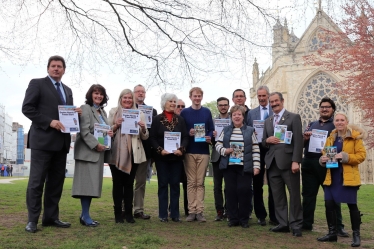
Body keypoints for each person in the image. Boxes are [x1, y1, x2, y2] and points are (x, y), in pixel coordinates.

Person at [22, 55, 81, 233]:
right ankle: (32, 220)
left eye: (59, 66)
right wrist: (49, 122)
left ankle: (50, 217)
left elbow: (66, 116)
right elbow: (27, 108)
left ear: (64, 70)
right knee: (36, 182)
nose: (56, 69)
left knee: (56, 183)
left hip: (61, 143)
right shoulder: (37, 83)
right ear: (48, 68)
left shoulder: (68, 90)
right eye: (53, 66)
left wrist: (75, 114)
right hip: (42, 141)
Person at [317, 112, 366, 247]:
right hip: (332, 176)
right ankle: (332, 233)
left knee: (352, 205)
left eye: (342, 120)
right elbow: (324, 153)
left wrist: (344, 156)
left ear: (346, 122)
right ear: (334, 122)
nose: (339, 122)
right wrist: (323, 159)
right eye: (337, 120)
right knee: (329, 204)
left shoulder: (355, 137)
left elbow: (361, 156)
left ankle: (356, 235)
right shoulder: (331, 138)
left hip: (347, 176)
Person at [302, 97, 348, 236]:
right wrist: (306, 137)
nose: (324, 109)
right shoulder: (311, 124)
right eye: (322, 106)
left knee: (333, 196)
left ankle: (338, 226)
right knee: (308, 195)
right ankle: (306, 224)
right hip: (309, 162)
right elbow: (303, 143)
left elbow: (341, 144)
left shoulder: (336, 125)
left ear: (332, 109)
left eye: (327, 107)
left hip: (328, 163)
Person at [262, 92, 303, 237]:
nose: (273, 104)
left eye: (276, 101)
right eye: (271, 102)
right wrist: (267, 140)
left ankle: (296, 224)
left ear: (282, 101)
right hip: (272, 164)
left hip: (289, 163)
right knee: (277, 196)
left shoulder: (293, 117)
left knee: (294, 195)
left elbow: (298, 141)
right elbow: (263, 141)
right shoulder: (268, 121)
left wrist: (296, 161)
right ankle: (283, 224)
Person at [71, 84, 113, 227]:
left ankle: (85, 215)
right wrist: (96, 144)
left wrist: (109, 133)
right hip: (87, 153)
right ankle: (85, 215)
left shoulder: (103, 112)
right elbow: (84, 131)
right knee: (85, 186)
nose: (99, 96)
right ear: (90, 95)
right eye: (96, 93)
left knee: (91, 186)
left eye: (101, 94)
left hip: (98, 153)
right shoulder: (85, 109)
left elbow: (102, 130)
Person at [215, 105, 260, 228]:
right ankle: (233, 218)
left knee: (244, 192)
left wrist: (256, 166)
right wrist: (225, 150)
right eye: (234, 114)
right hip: (229, 166)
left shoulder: (250, 130)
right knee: (230, 192)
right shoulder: (226, 130)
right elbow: (217, 145)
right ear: (231, 117)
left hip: (245, 167)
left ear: (243, 116)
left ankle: (244, 219)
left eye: (239, 114)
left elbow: (255, 149)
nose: (236, 116)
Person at [108, 89, 149, 223]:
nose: (127, 100)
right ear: (120, 99)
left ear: (133, 99)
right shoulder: (113, 112)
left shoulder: (140, 113)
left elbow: (145, 136)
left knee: (129, 184)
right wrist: (116, 125)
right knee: (118, 185)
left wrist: (143, 128)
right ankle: (118, 214)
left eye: (130, 98)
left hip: (134, 154)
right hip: (116, 154)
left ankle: (129, 214)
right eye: (125, 98)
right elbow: (107, 132)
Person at [149, 93, 188, 222]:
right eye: (170, 101)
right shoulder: (156, 119)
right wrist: (160, 150)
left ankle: (175, 214)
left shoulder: (180, 120)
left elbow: (186, 137)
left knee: (175, 185)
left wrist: (181, 149)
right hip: (162, 158)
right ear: (164, 103)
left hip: (176, 158)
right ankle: (163, 214)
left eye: (174, 101)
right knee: (163, 185)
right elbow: (152, 138)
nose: (172, 103)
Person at [180, 87, 214, 222]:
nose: (197, 98)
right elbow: (182, 130)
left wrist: (209, 136)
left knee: (200, 182)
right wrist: (189, 132)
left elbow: (211, 129)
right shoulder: (184, 112)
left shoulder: (206, 112)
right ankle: (191, 211)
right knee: (191, 182)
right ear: (190, 97)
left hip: (203, 151)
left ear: (202, 97)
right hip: (189, 151)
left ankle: (199, 211)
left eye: (199, 96)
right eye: (195, 96)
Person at [247, 85, 277, 226]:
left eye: (264, 96)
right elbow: (247, 130)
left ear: (268, 96)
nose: (261, 98)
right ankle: (260, 215)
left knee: (273, 183)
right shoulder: (251, 113)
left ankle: (274, 215)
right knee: (257, 183)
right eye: (259, 96)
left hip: (272, 150)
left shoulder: (275, 111)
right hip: (257, 150)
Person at [133, 84, 157, 220]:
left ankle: (138, 209)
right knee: (127, 181)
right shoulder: (125, 109)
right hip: (128, 150)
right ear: (133, 93)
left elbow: (153, 133)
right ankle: (125, 208)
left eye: (143, 92)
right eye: (138, 92)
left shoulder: (152, 111)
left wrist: (153, 154)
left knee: (140, 182)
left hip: (145, 150)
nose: (140, 94)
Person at [211, 97, 230, 221]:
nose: (223, 107)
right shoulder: (212, 121)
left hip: (230, 156)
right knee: (217, 186)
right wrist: (211, 137)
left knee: (228, 186)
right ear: (217, 107)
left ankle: (228, 210)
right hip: (217, 156)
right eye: (220, 105)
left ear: (228, 106)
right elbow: (208, 139)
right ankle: (219, 211)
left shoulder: (233, 120)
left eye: (225, 105)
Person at [174, 99, 189, 216]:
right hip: (172, 157)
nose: (180, 108)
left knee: (187, 184)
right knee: (173, 184)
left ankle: (188, 210)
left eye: (182, 106)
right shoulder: (168, 120)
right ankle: (173, 209)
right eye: (178, 106)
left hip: (186, 155)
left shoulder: (186, 120)